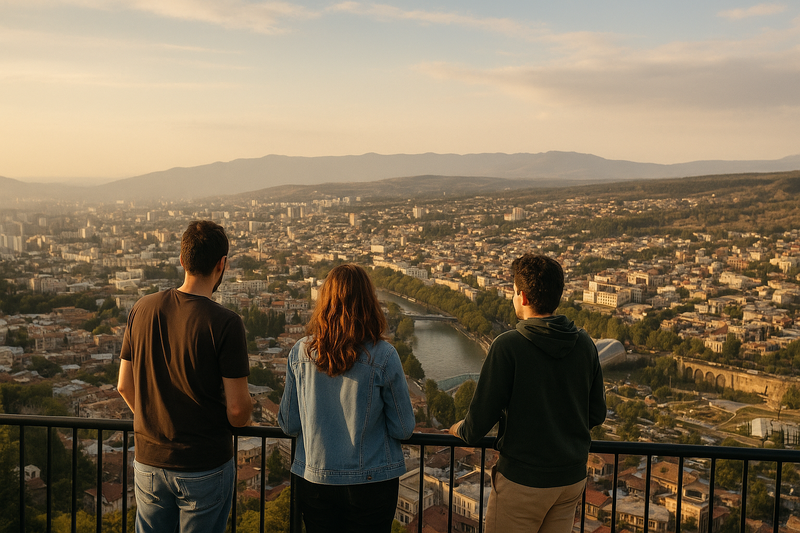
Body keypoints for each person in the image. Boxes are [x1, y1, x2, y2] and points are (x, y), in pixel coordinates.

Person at [449, 254, 606, 533]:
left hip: (524, 481)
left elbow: (478, 424)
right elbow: (596, 413)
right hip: (570, 480)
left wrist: (458, 430)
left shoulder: (509, 346)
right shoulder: (584, 343)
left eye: (512, 291)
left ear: (522, 296)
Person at [117, 220, 252, 533]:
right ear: (222, 265)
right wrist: (247, 416)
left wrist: (155, 422)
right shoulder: (226, 323)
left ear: (182, 260)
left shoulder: (142, 308)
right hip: (203, 464)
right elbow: (236, 410)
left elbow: (124, 385)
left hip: (150, 459)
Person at [279, 264, 415, 533]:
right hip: (371, 483)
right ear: (369, 302)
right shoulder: (384, 356)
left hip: (316, 482)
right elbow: (404, 427)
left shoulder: (300, 353)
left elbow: (289, 424)